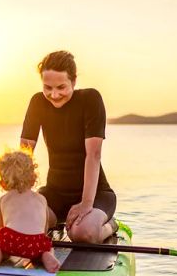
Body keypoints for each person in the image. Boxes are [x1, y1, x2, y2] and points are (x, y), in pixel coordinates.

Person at [20, 50, 118, 244]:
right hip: (54, 194)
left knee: (82, 234)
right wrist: (20, 195)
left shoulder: (90, 99)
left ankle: (109, 225)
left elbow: (94, 155)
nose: (54, 95)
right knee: (25, 223)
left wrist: (86, 204)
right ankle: (56, 223)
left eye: (61, 87)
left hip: (96, 194)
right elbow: (24, 153)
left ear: (73, 81)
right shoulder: (37, 102)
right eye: (47, 87)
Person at [0, 149, 61, 273]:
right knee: (45, 246)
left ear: (3, 183)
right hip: (35, 242)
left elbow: (1, 227)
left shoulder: (4, 199)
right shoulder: (41, 199)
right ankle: (46, 255)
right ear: (33, 179)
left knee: (0, 243)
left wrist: (4, 244)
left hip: (11, 240)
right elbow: (44, 228)